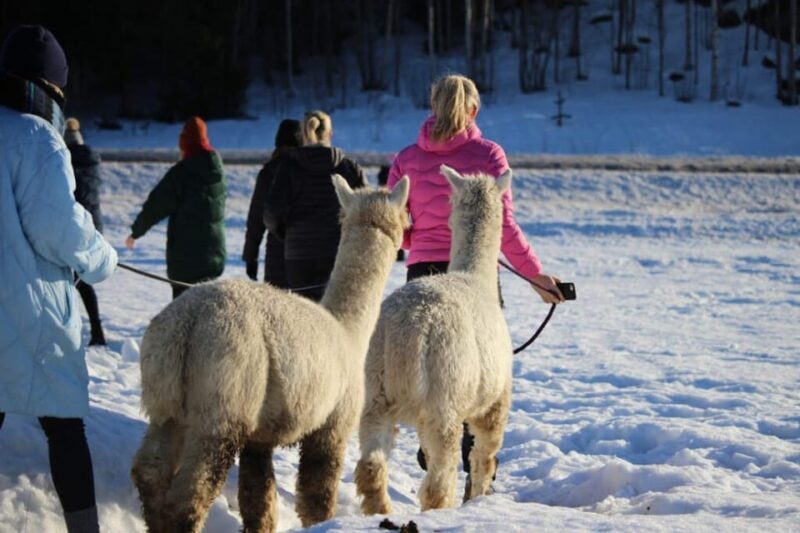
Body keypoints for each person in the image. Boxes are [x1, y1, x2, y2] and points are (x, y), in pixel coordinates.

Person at [387, 74, 565, 489]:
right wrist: (536, 276)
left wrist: (418, 239)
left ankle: (432, 441)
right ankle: (474, 463)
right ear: (473, 109)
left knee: (427, 367)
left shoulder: (407, 158)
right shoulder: (488, 154)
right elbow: (504, 226)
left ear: (433, 106)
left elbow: (396, 223)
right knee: (482, 368)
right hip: (477, 277)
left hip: (423, 274)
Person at [0, 25, 117, 533]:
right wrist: (103, 258)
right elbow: (59, 228)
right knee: (65, 429)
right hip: (34, 312)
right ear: (50, 88)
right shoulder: (38, 138)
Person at [264, 110, 367, 301]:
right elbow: (366, 211)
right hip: (337, 251)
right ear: (330, 134)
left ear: (303, 134)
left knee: (304, 314)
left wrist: (285, 233)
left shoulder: (288, 167)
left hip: (298, 254)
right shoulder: (349, 168)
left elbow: (272, 212)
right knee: (333, 313)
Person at [125, 116, 227, 299]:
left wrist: (136, 231)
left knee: (184, 318)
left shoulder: (181, 174)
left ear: (184, 144)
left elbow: (155, 205)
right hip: (214, 257)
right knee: (206, 312)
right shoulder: (217, 171)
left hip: (186, 261)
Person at [242, 119, 301, 287]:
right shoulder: (308, 170)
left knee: (277, 306)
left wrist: (250, 256)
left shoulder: (269, 172)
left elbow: (256, 219)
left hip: (277, 254)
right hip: (308, 252)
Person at [64, 117, 107, 346]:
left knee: (67, 281)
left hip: (74, 226)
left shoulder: (64, 161)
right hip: (94, 226)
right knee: (81, 280)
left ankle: (70, 333)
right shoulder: (92, 160)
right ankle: (97, 331)